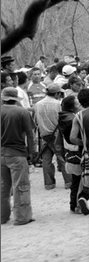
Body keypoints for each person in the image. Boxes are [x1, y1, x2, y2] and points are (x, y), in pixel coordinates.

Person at [1, 87, 36, 225]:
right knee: (20, 186)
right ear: (15, 98)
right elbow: (30, 135)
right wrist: (32, 153)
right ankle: (22, 217)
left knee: (3, 187)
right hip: (17, 154)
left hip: (1, 153)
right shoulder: (22, 112)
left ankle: (2, 217)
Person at [32, 83, 71, 190]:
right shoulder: (58, 104)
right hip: (57, 135)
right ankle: (68, 182)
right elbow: (63, 120)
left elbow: (35, 121)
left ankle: (49, 184)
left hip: (44, 136)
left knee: (46, 160)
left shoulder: (38, 104)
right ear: (57, 93)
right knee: (62, 158)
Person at [56, 95, 89, 214]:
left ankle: (73, 204)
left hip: (70, 152)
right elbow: (75, 138)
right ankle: (76, 205)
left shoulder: (64, 117)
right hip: (77, 152)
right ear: (72, 106)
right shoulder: (72, 119)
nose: (79, 104)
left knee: (76, 181)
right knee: (79, 181)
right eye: (76, 103)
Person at [69, 88, 89, 215]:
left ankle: (84, 196)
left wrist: (84, 143)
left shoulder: (78, 116)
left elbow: (72, 138)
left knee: (88, 174)